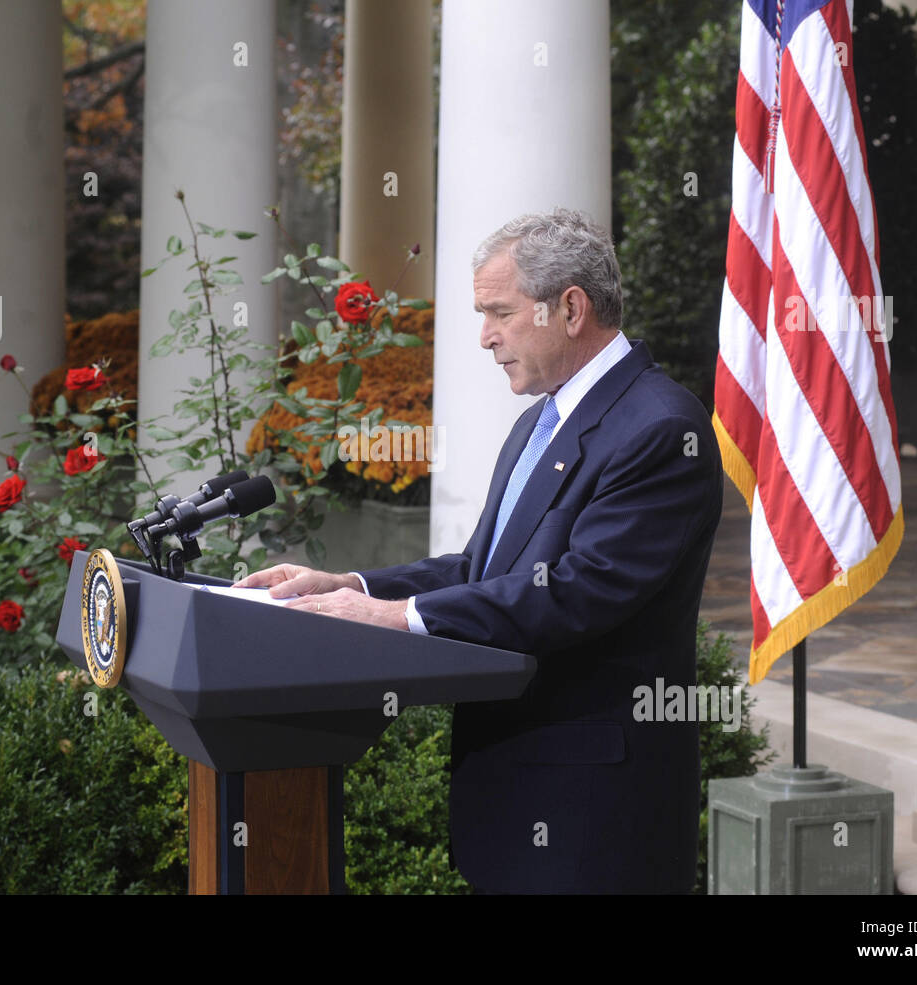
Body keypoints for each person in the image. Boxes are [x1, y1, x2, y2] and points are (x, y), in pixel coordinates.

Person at [236, 207, 724, 893]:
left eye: (498, 312)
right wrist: (352, 583)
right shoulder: (538, 423)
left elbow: (576, 591)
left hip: (592, 814)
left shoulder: (661, 427)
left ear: (571, 308)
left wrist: (401, 618)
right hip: (516, 793)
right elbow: (481, 571)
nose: (484, 337)